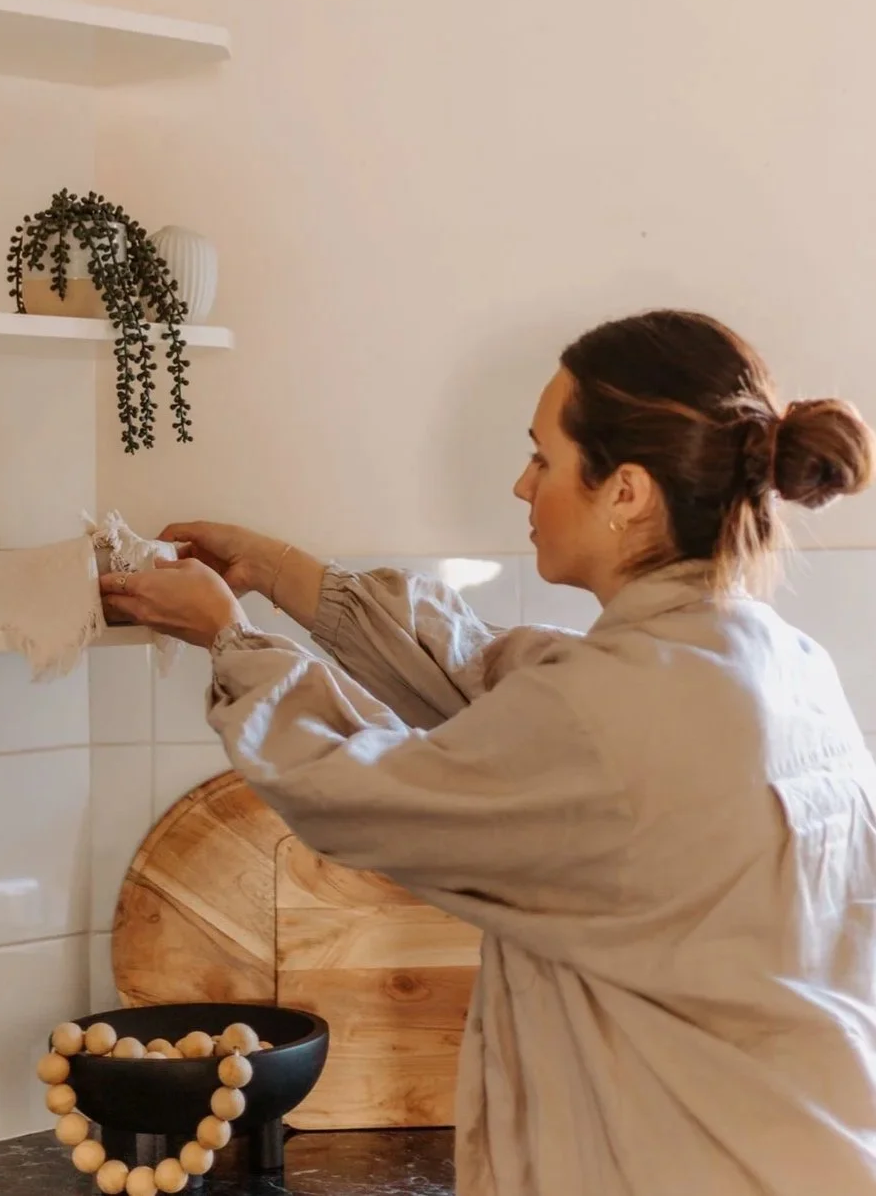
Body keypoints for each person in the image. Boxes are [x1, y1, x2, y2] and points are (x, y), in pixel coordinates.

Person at [102, 309, 876, 1196]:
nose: (522, 484)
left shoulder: (612, 709)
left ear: (625, 490)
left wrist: (228, 638)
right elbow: (488, 666)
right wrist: (277, 570)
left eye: (543, 456)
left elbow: (352, 788)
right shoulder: (779, 665)